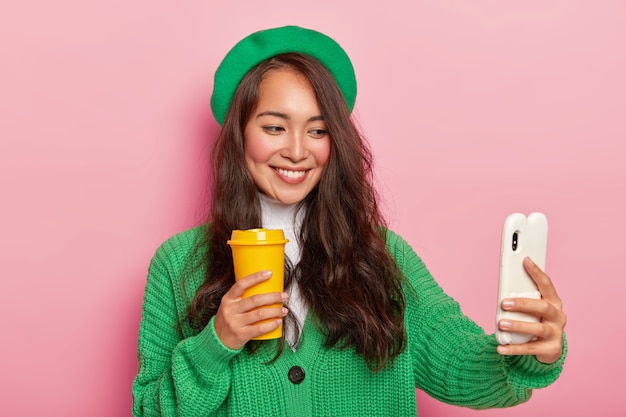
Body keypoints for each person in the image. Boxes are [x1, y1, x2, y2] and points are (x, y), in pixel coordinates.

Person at [132, 26, 567, 416]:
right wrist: (216, 343)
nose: (298, 150)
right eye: (274, 128)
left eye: (318, 131)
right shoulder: (177, 264)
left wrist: (529, 351)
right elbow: (149, 410)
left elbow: (459, 364)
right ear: (239, 133)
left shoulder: (382, 254)